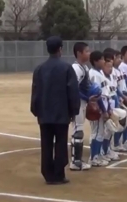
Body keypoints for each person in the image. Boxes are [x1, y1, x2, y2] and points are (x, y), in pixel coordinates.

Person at [30, 36, 80, 185]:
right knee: (60, 143)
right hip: (61, 113)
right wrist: (74, 110)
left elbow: (35, 91)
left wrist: (36, 110)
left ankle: (47, 173)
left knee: (46, 144)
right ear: (60, 49)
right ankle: (58, 173)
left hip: (44, 113)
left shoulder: (39, 69)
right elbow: (72, 91)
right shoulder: (66, 68)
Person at [69, 42, 95, 171]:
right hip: (78, 103)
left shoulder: (84, 67)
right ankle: (76, 161)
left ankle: (77, 160)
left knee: (79, 130)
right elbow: (74, 88)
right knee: (77, 130)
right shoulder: (77, 68)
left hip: (83, 103)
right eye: (87, 51)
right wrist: (87, 98)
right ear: (79, 53)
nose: (89, 53)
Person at [88, 51, 112, 167]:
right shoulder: (94, 74)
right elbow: (97, 95)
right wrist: (104, 110)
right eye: (102, 59)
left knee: (99, 132)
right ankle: (94, 157)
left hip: (102, 106)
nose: (104, 61)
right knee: (97, 133)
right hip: (97, 108)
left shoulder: (99, 73)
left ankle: (97, 155)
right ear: (96, 61)